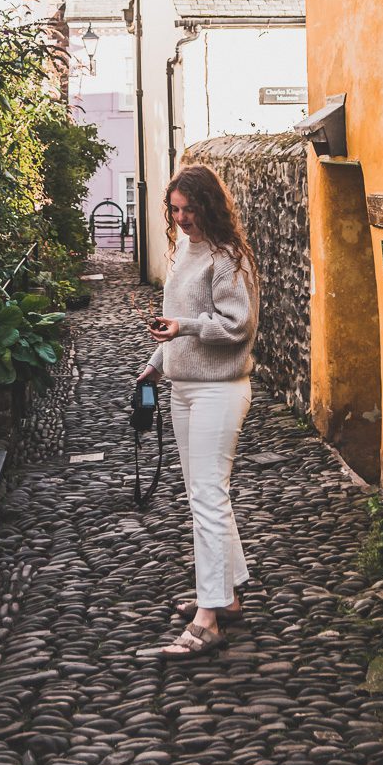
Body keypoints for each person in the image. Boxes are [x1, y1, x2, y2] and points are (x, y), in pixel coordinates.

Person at [137, 163, 259, 659]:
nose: (182, 219)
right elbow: (176, 321)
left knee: (209, 496)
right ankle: (225, 596)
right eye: (175, 210)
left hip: (220, 390)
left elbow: (238, 325)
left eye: (189, 210)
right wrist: (154, 364)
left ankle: (208, 621)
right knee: (201, 495)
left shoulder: (229, 258)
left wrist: (184, 328)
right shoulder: (184, 249)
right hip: (183, 387)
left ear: (209, 206)